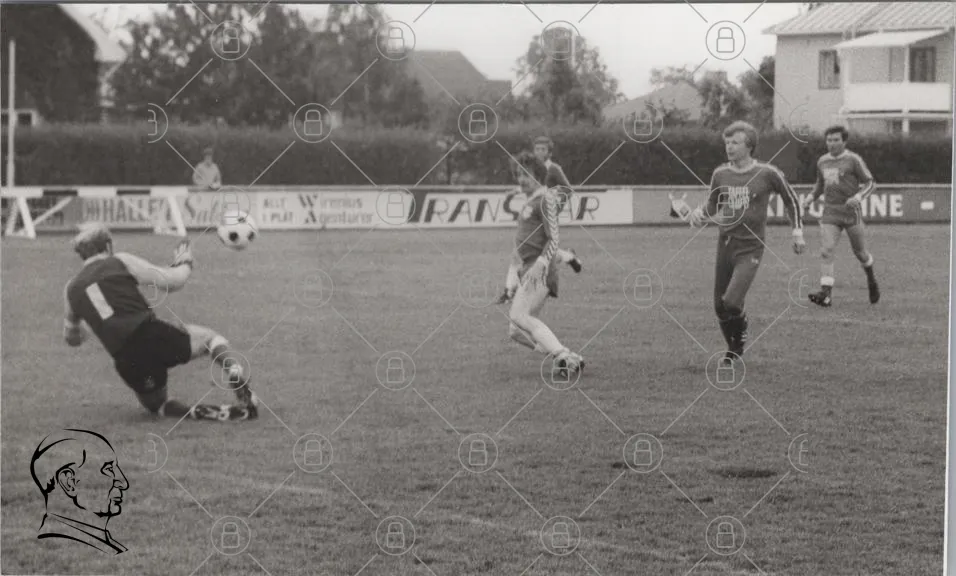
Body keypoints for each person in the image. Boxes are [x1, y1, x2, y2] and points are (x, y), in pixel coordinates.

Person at [62, 223, 257, 421]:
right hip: (152, 335)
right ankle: (235, 371)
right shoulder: (119, 261)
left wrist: (90, 325)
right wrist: (185, 262)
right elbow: (173, 281)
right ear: (107, 245)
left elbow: (72, 338)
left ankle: (197, 412)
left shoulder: (71, 289)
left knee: (157, 404)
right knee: (210, 339)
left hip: (126, 359)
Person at [688, 121, 805, 365]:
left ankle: (739, 336)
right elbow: (713, 205)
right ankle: (733, 348)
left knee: (732, 301)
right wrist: (700, 213)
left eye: (735, 142)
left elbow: (791, 199)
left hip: (750, 247)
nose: (729, 147)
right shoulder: (720, 174)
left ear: (749, 146)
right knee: (720, 307)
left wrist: (797, 231)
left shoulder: (768, 173)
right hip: (725, 244)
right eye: (727, 142)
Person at [502, 151, 584, 377]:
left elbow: (554, 238)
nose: (521, 179)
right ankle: (569, 357)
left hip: (539, 270)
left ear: (538, 175)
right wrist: (512, 281)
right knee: (515, 331)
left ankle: (563, 356)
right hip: (528, 269)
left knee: (519, 316)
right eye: (518, 174)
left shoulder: (545, 200)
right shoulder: (532, 200)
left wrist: (540, 263)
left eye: (526, 174)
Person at [801, 125, 880, 307]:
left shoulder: (853, 160)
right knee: (826, 250)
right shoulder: (822, 161)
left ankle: (871, 279)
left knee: (860, 253)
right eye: (829, 140)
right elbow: (820, 185)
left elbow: (871, 183)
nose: (832, 143)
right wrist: (810, 198)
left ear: (844, 141)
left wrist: (858, 197)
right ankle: (826, 294)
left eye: (836, 140)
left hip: (851, 214)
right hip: (830, 212)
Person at [31, 429, 129, 554]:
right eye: (108, 469)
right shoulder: (66, 550)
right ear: (69, 482)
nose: (124, 483)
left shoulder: (104, 545)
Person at [532, 136, 583, 274]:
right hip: (536, 211)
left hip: (547, 211)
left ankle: (544, 273)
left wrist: (556, 205)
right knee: (540, 245)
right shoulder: (533, 168)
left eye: (543, 149)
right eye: (537, 149)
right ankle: (569, 257)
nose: (539, 152)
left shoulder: (554, 168)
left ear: (549, 153)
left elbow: (568, 189)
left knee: (543, 245)